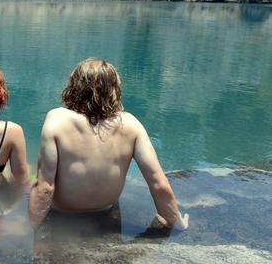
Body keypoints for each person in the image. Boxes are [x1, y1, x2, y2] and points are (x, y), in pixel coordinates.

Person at [29, 58, 188, 230]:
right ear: (114, 89)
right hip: (105, 212)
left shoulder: (57, 119)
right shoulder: (131, 124)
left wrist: (29, 229)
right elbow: (158, 183)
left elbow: (45, 187)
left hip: (63, 213)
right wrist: (174, 221)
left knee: (33, 185)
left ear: (75, 87)